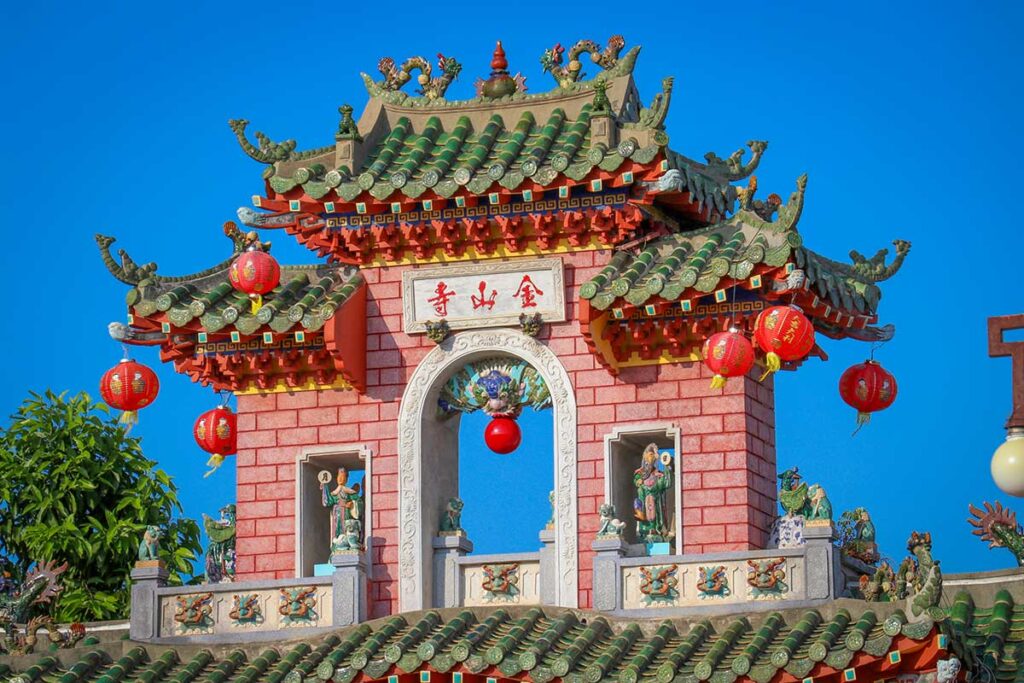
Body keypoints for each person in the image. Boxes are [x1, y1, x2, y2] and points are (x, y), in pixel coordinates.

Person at [633, 444, 674, 542]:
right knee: (644, 512)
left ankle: (657, 530)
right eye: (651, 454)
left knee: (657, 515)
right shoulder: (640, 473)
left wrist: (667, 467)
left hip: (656, 500)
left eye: (654, 455)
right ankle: (646, 531)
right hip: (644, 499)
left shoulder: (658, 473)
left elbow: (666, 483)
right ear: (645, 456)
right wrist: (641, 483)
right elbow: (637, 481)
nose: (653, 457)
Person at [321, 468, 364, 552]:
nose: (341, 479)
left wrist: (352, 503)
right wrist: (325, 487)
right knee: (337, 529)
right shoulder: (334, 493)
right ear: (336, 478)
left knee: (348, 528)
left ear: (347, 479)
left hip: (347, 513)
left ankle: (349, 544)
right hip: (336, 514)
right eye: (339, 477)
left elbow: (359, 501)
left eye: (343, 477)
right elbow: (327, 502)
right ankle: (336, 546)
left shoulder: (349, 492)